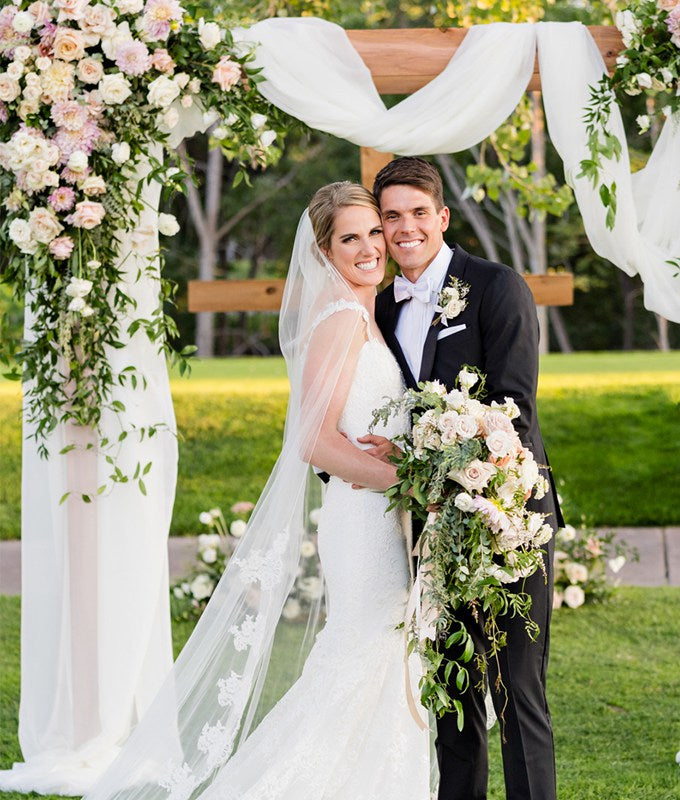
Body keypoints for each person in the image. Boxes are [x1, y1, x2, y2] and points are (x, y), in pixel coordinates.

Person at [82, 183, 430, 800]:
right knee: (358, 659)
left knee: (381, 664)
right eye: (350, 237)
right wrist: (413, 482)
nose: (371, 246)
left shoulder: (363, 317)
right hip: (364, 522)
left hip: (378, 517)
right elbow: (314, 442)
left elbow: (354, 429)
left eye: (375, 232)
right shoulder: (343, 319)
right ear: (324, 251)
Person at [364, 156, 564, 800]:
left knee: (516, 696)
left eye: (418, 213)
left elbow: (516, 409)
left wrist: (486, 504)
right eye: (391, 217)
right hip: (430, 533)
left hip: (507, 521)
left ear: (442, 217)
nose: (405, 228)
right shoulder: (384, 310)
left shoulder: (496, 286)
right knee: (453, 696)